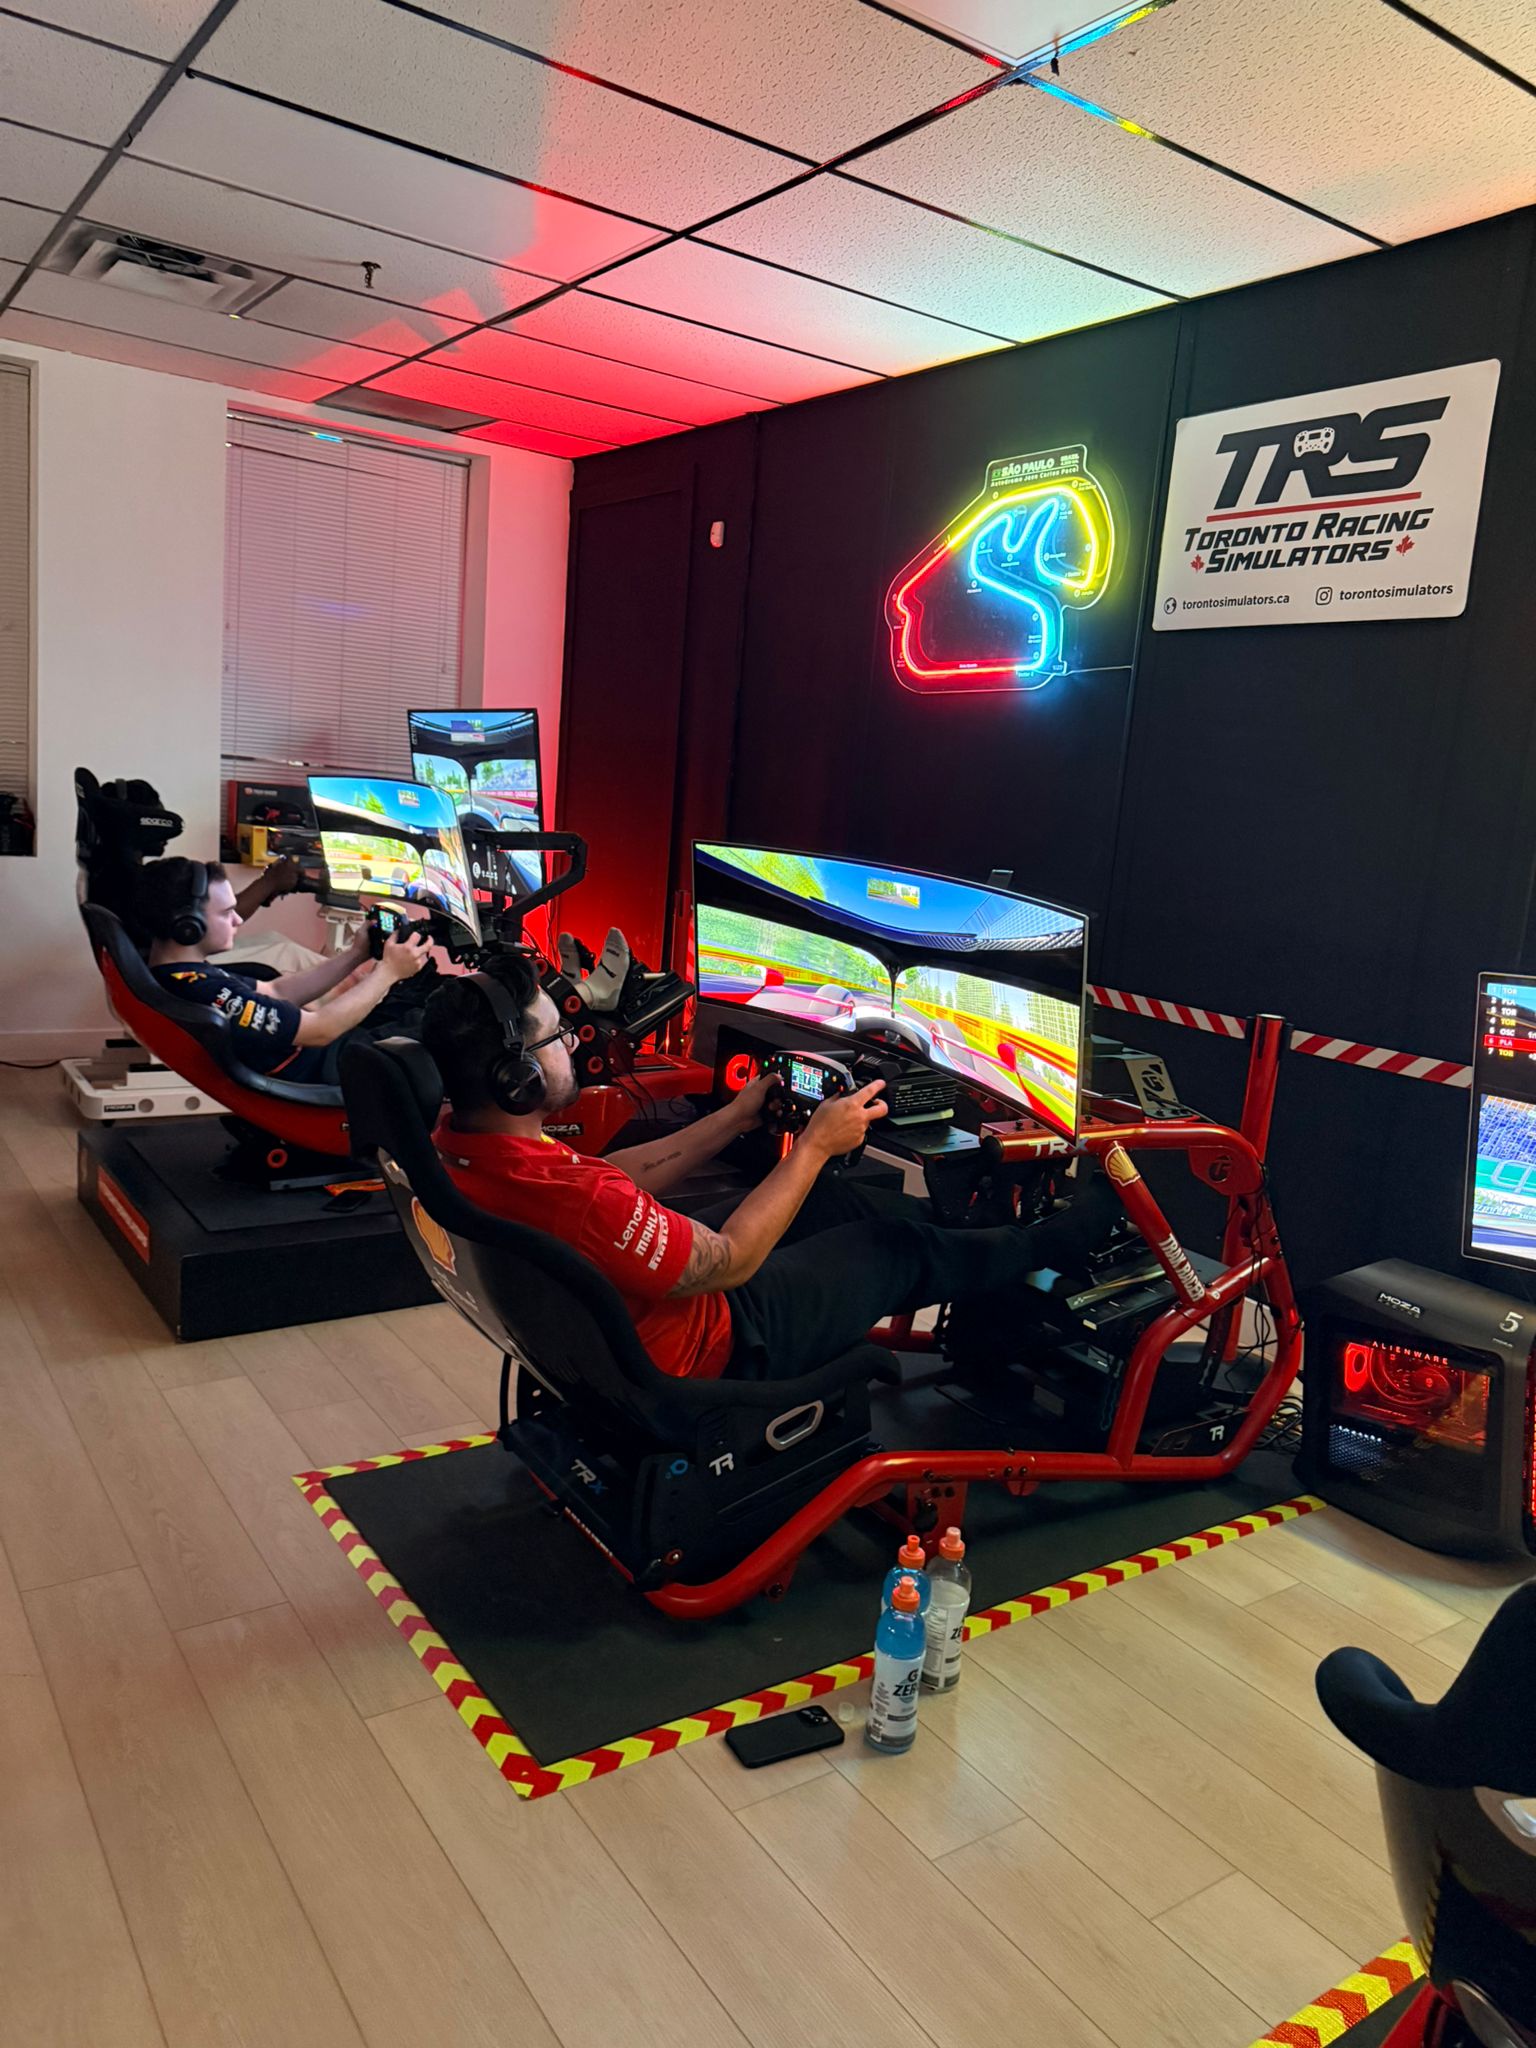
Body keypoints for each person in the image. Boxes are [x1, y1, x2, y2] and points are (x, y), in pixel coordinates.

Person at [419, 951, 1119, 1382]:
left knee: (826, 1204)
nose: (573, 1046)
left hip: (618, 1333)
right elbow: (724, 1264)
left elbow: (614, 1176)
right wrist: (814, 1146)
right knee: (893, 1246)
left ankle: (977, 1245)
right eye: (556, 1038)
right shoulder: (576, 1200)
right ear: (515, 1077)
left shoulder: (467, 1147)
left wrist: (733, 1117)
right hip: (714, 1341)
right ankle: (1050, 1242)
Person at [137, 856, 431, 1083]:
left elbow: (276, 991)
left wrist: (356, 954)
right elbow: (321, 1030)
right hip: (327, 1068)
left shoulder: (185, 975)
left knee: (413, 1009)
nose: (237, 920)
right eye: (227, 913)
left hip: (325, 1055)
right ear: (188, 926)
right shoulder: (203, 990)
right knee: (438, 1026)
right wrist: (389, 972)